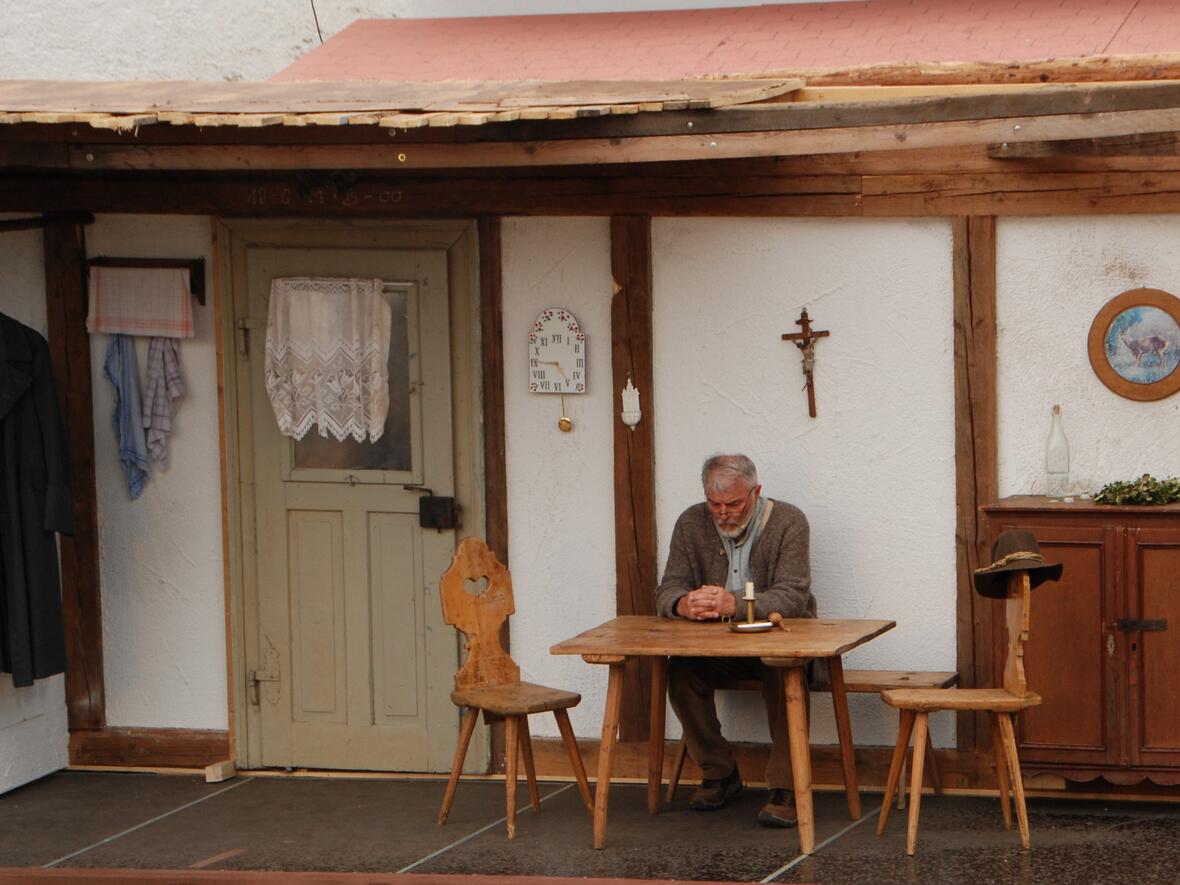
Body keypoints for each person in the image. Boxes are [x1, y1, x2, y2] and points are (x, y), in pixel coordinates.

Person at [655, 454, 815, 828]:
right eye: (715, 505)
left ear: (756, 492)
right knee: (680, 672)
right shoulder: (691, 522)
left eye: (734, 504)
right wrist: (683, 604)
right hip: (716, 646)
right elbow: (668, 588)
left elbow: (794, 596)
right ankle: (720, 773)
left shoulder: (789, 521)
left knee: (784, 670)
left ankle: (787, 787)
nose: (723, 513)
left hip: (775, 640)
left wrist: (738, 604)